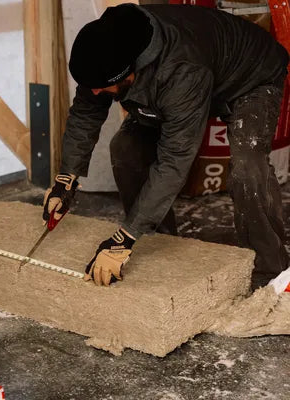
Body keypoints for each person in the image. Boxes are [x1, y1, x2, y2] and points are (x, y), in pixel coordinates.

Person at [42, 3, 289, 289]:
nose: (96, 93)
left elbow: (174, 160)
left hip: (250, 75)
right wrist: (66, 177)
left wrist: (122, 238)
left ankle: (272, 273)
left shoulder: (181, 72)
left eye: (101, 87)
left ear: (129, 72)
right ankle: (159, 241)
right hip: (199, 71)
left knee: (248, 168)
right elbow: (86, 111)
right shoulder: (109, 49)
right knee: (125, 148)